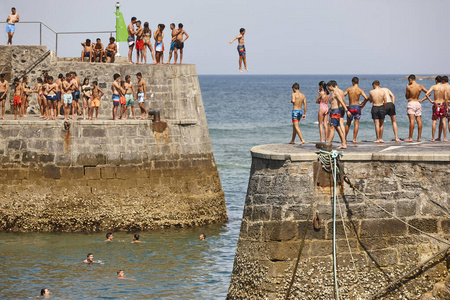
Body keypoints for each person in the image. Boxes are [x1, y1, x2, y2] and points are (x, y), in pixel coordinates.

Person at [343, 77, 368, 143]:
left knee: (348, 124)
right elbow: (366, 98)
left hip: (350, 107)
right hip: (357, 107)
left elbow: (342, 95)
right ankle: (354, 139)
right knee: (356, 124)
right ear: (358, 82)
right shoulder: (360, 90)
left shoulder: (349, 89)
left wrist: (345, 104)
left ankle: (344, 139)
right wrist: (363, 103)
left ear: (352, 82)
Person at [423, 76, 447, 142]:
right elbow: (446, 98)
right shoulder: (444, 87)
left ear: (436, 80)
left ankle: (433, 138)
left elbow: (427, 94)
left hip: (436, 104)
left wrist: (431, 101)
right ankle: (445, 138)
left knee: (434, 121)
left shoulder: (434, 86)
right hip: (442, 104)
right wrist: (446, 106)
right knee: (443, 121)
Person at [405, 74, 428, 142]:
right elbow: (428, 93)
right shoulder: (420, 86)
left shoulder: (409, 87)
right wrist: (422, 100)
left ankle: (410, 138)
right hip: (418, 103)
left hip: (411, 103)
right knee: (419, 120)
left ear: (410, 79)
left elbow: (407, 97)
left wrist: (407, 87)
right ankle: (419, 138)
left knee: (412, 121)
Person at [326, 81, 349, 149]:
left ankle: (328, 143)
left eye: (328, 87)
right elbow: (333, 102)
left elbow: (341, 102)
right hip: (333, 111)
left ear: (331, 86)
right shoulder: (332, 93)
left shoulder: (336, 93)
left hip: (336, 111)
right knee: (337, 128)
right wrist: (330, 109)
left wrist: (346, 110)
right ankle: (343, 143)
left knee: (332, 127)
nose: (328, 89)